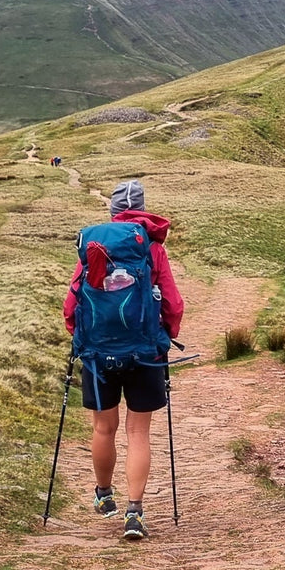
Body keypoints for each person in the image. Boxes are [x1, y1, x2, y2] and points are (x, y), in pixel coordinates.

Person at [62, 179, 184, 540]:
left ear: (112, 212)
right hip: (145, 352)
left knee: (103, 428)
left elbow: (72, 304)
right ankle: (135, 512)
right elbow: (173, 303)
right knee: (138, 432)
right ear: (143, 208)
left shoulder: (94, 245)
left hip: (99, 351)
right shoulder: (151, 248)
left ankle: (103, 495)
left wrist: (83, 337)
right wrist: (165, 336)